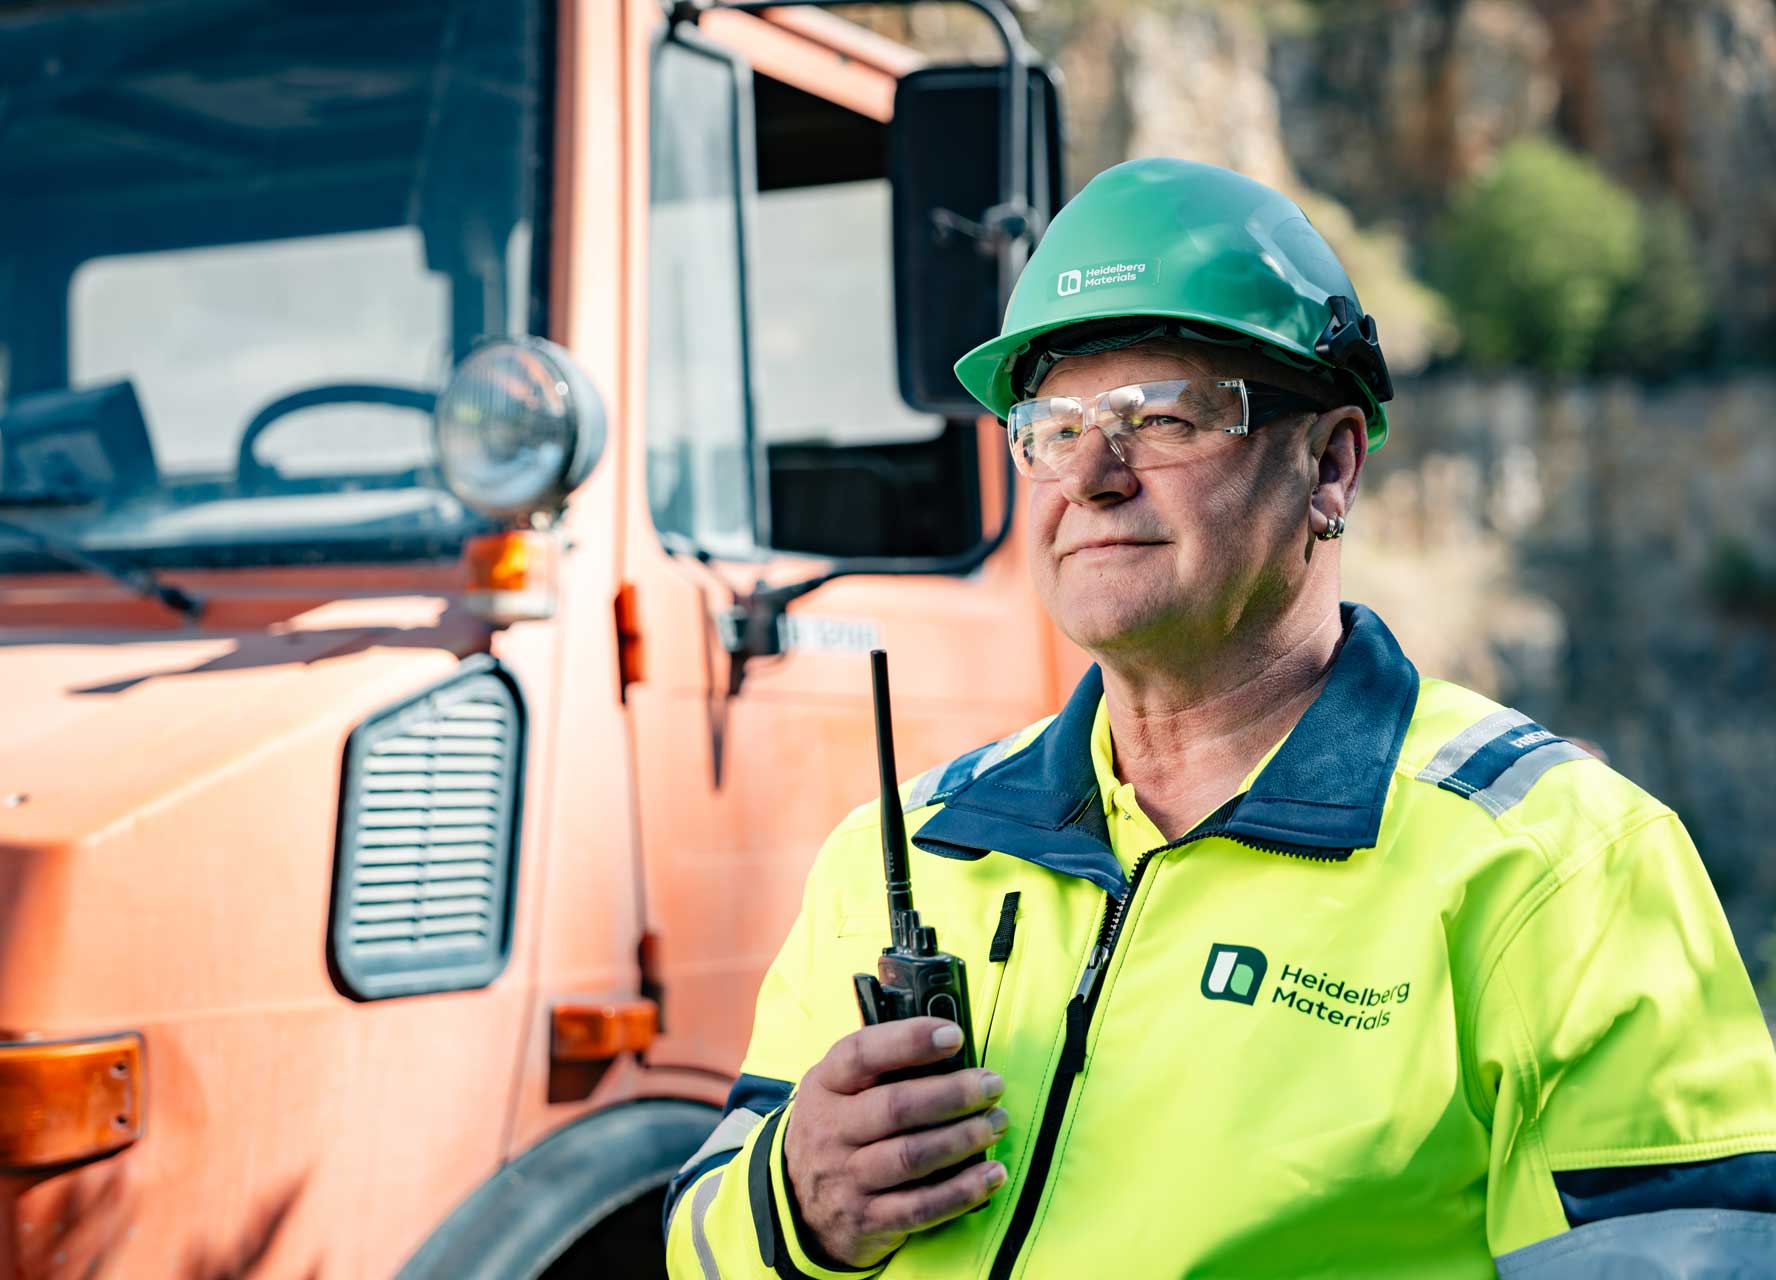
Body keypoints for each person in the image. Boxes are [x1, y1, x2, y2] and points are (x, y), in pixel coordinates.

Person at [663, 157, 1776, 1278]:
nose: (1093, 475)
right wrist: (794, 1202)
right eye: (1051, 425)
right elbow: (697, 1232)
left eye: (1162, 417)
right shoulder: (900, 847)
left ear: (1330, 463)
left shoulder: (1562, 868)